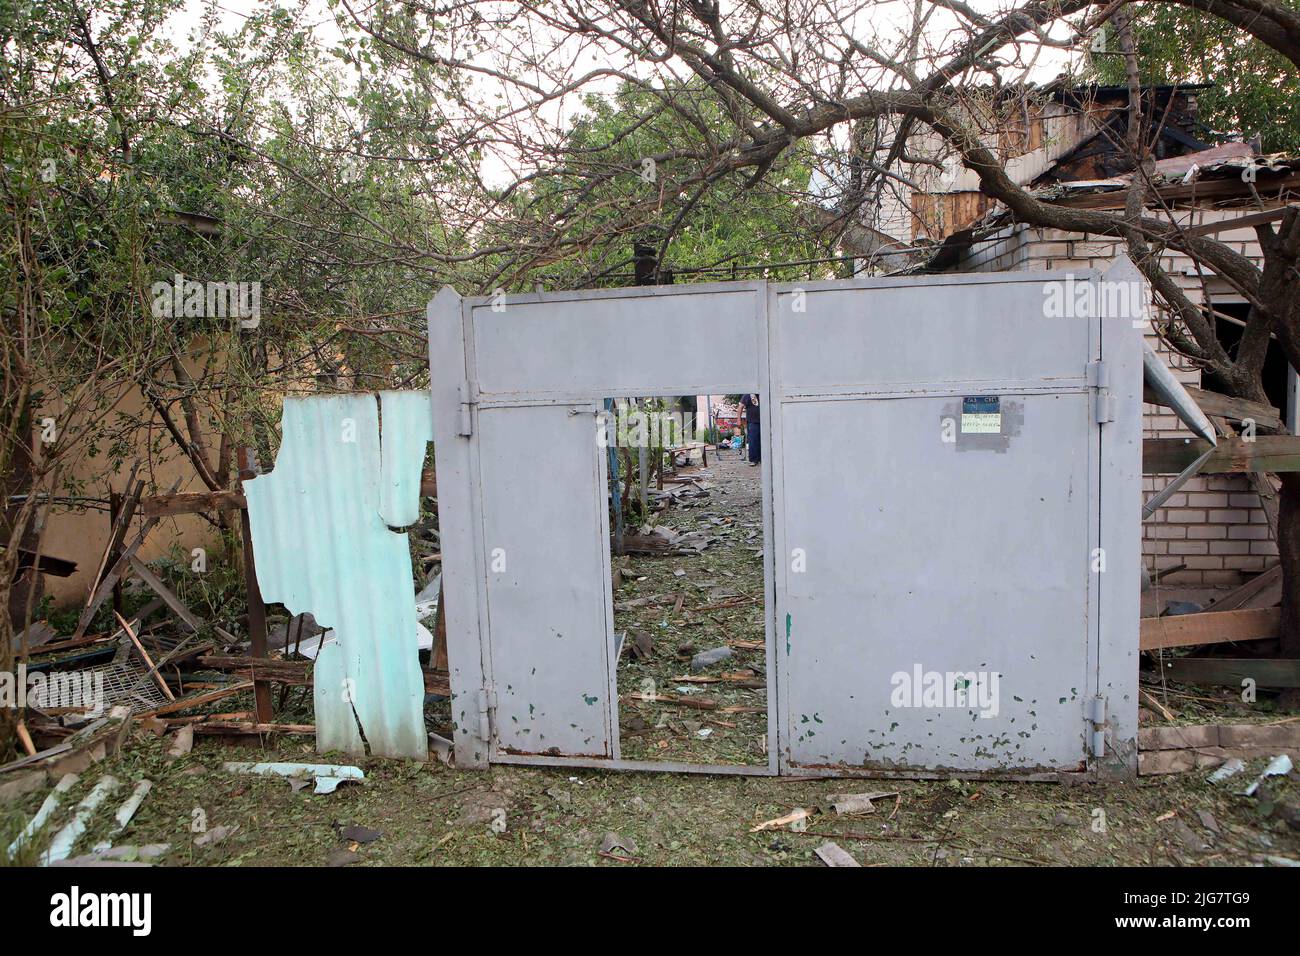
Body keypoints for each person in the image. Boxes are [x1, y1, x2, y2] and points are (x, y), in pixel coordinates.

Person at [739, 393, 760, 465]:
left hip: (764, 422)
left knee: (763, 441)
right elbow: (740, 407)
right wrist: (738, 419)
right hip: (752, 421)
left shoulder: (763, 393)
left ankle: (761, 458)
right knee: (753, 441)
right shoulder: (748, 395)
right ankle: (753, 460)